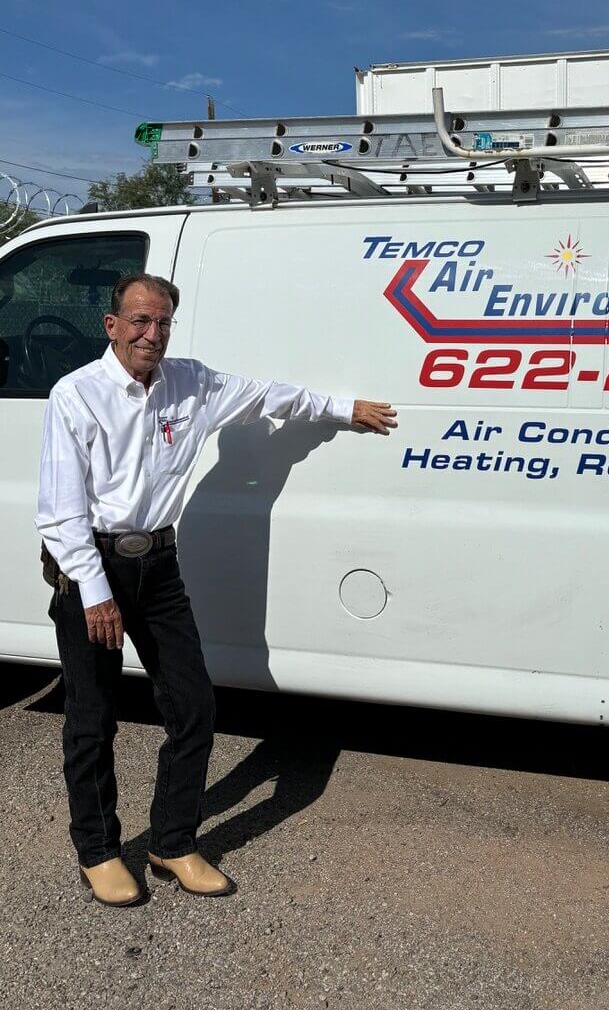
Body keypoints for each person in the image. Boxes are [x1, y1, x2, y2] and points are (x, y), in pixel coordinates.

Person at [35, 272, 396, 907]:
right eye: (140, 322)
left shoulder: (190, 382)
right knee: (93, 717)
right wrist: (95, 591)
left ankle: (171, 842)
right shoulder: (76, 395)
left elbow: (266, 397)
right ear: (111, 326)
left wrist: (344, 410)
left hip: (159, 567)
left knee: (194, 704)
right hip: (89, 566)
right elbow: (60, 513)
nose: (153, 334)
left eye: (163, 323)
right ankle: (98, 851)